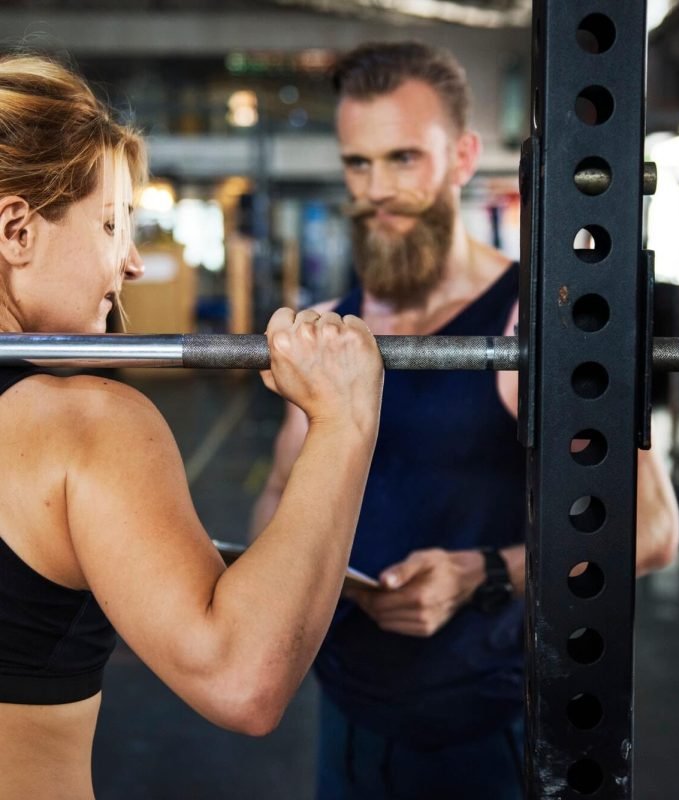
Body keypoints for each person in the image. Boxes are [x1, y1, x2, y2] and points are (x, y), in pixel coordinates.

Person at [250, 41, 679, 800]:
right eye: (359, 163)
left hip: (479, 730)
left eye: (404, 158)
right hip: (345, 710)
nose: (378, 188)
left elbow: (652, 527)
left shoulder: (535, 324)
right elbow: (281, 490)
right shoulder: (328, 326)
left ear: (464, 157)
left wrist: (480, 574)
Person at [0, 53, 384, 799]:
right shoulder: (86, 423)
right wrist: (343, 421)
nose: (133, 263)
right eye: (112, 224)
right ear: (16, 230)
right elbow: (242, 678)